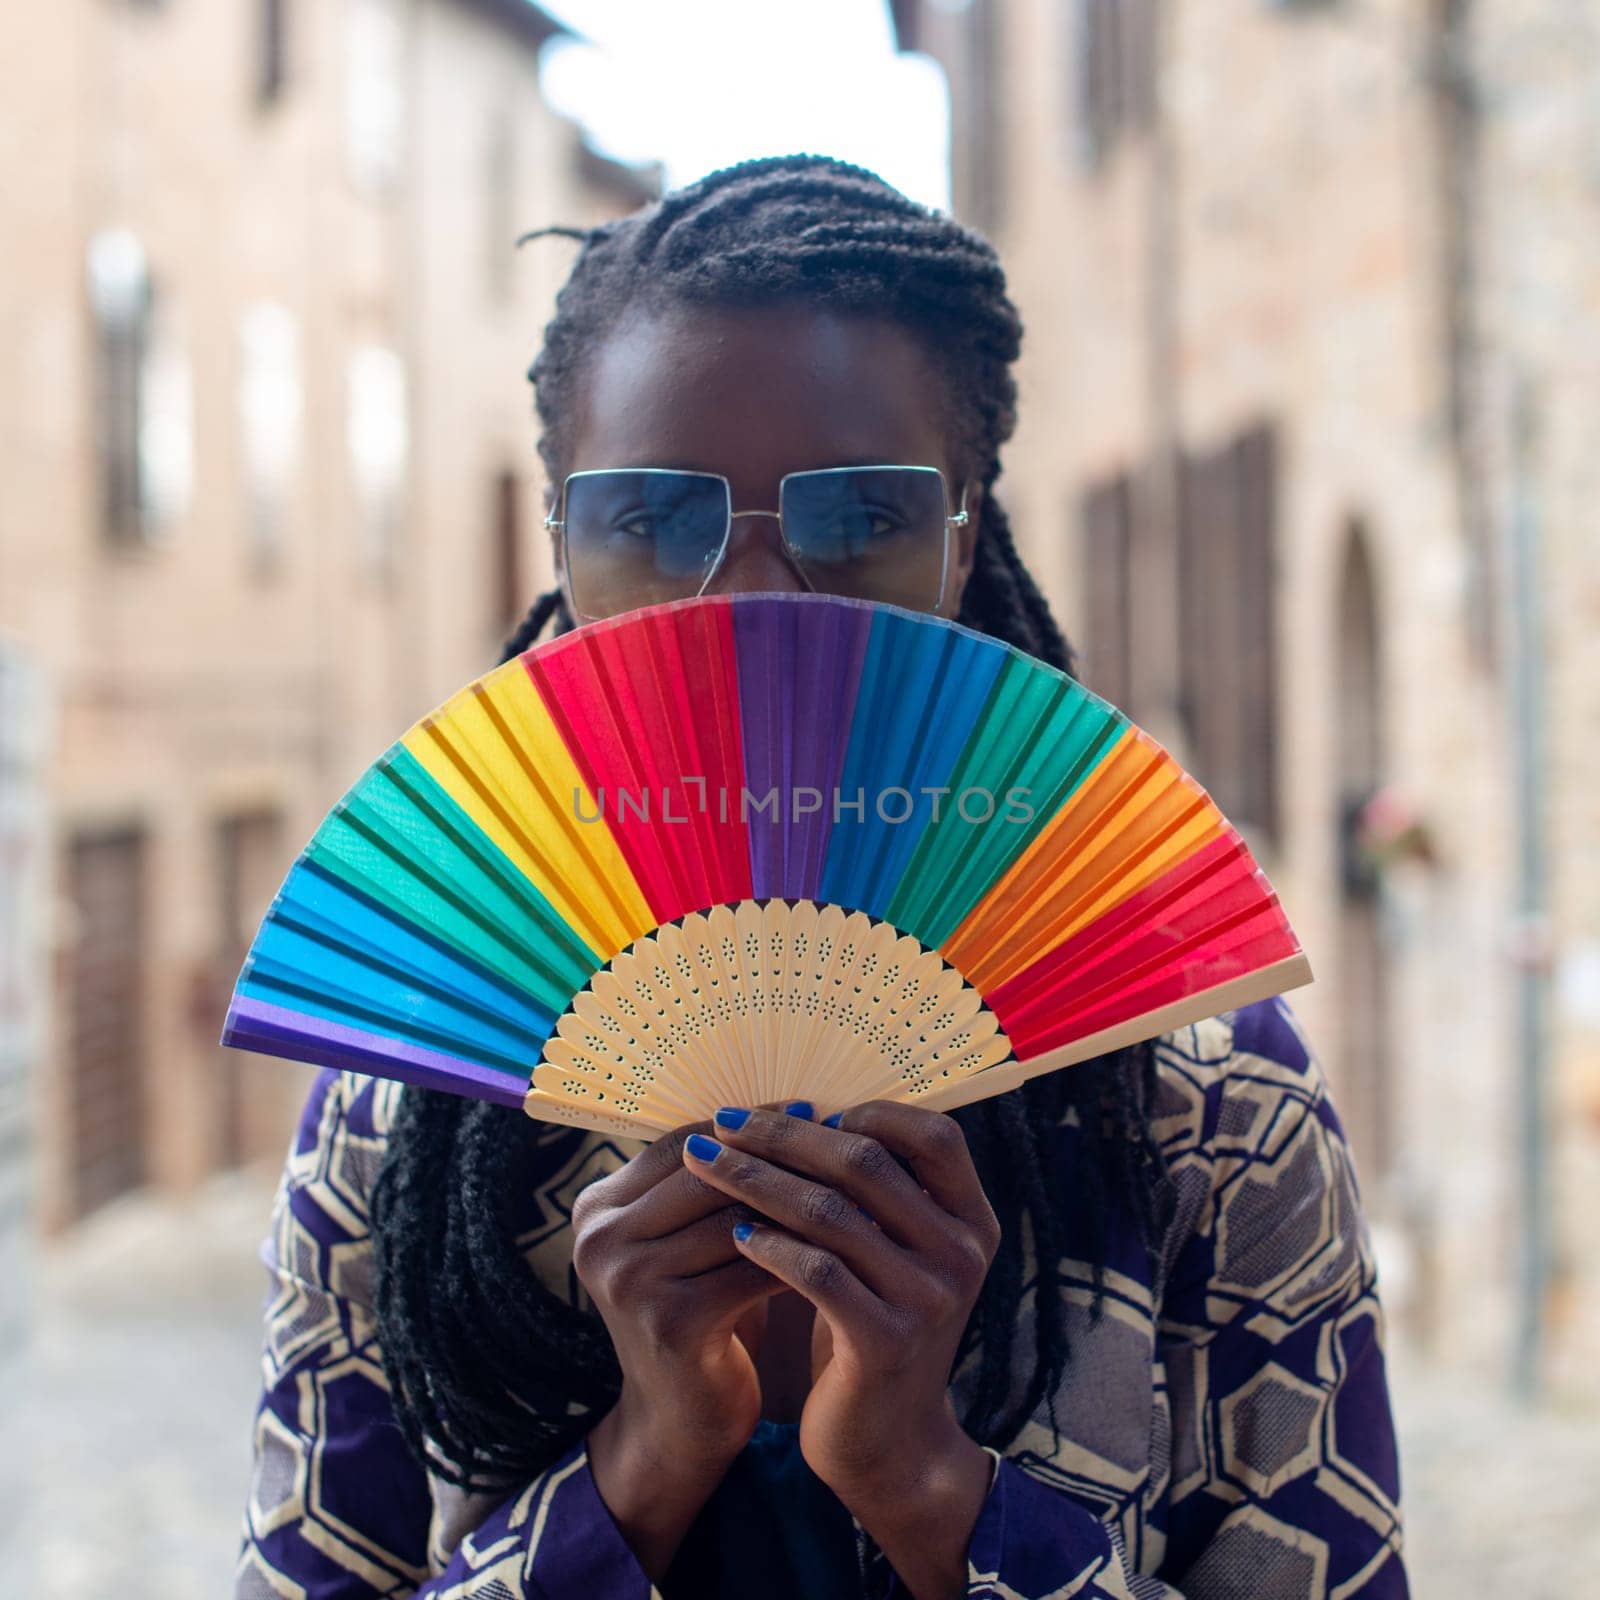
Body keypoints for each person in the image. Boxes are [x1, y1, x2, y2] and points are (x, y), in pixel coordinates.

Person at [234, 154, 1408, 1600]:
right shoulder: (400, 1116)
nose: (750, 607)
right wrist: (643, 1467)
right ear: (562, 549)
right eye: (650, 521)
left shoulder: (1206, 1110)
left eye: (859, 520)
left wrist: (931, 1488)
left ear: (964, 537)